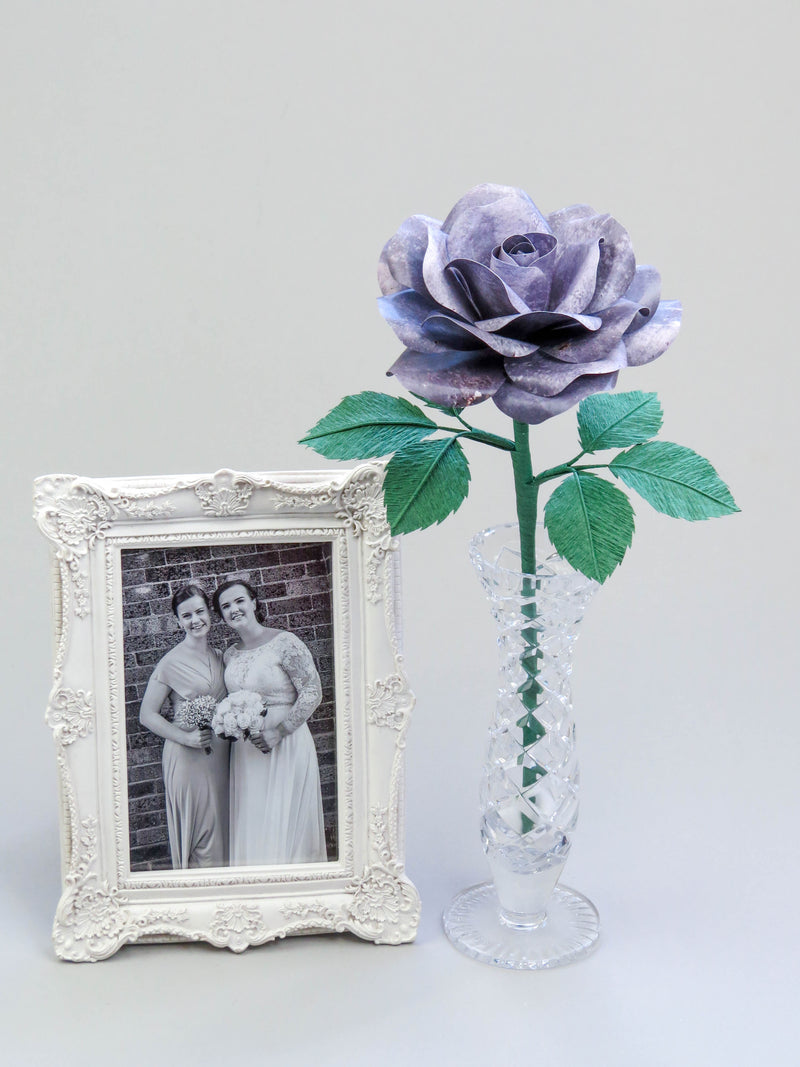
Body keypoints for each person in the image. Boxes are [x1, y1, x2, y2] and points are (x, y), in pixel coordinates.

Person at [213, 578, 327, 866]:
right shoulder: (230, 655)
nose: (234, 609)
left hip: (286, 741)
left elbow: (313, 692)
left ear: (253, 602)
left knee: (286, 819)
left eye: (239, 601)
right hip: (247, 750)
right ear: (222, 616)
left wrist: (280, 731)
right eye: (226, 606)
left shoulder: (285, 642)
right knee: (255, 816)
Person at [138, 584, 229, 868]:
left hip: (221, 756)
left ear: (209, 613)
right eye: (187, 615)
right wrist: (185, 739)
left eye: (200, 612)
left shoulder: (219, 655)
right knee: (204, 836)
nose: (195, 620)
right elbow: (147, 714)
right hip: (189, 757)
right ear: (178, 621)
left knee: (223, 827)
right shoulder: (170, 663)